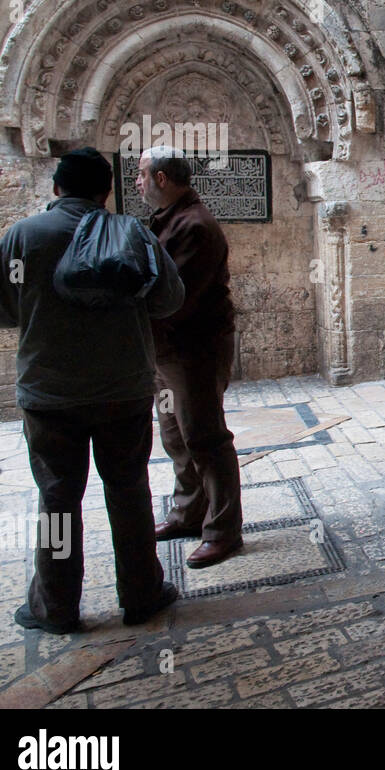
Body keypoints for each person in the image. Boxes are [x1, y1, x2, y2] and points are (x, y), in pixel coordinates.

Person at [0, 147, 184, 633]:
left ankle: (56, 607)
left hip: (50, 394)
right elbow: (169, 298)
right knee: (129, 491)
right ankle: (141, 594)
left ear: (56, 188)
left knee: (57, 501)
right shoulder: (130, 233)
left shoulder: (22, 238)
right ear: (105, 191)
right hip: (123, 389)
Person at [136, 145, 244, 568]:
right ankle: (187, 513)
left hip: (193, 352)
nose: (138, 182)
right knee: (174, 434)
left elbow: (172, 299)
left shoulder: (194, 227)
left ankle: (223, 531)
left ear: (163, 179)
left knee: (204, 436)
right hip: (167, 353)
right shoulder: (170, 220)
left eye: (143, 174)